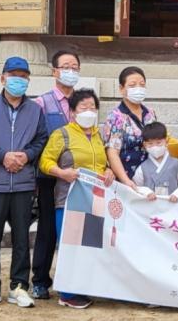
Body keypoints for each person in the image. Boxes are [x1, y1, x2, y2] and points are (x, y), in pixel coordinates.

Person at [0, 57, 48, 308]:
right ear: (3, 78)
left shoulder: (35, 110)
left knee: (22, 238)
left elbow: (41, 139)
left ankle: (19, 286)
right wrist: (2, 156)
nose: (19, 80)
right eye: (14, 75)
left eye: (24, 76)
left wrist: (27, 155)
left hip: (24, 184)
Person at [39, 88, 115, 309]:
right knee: (71, 246)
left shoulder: (98, 135)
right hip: (69, 199)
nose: (89, 111)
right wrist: (62, 173)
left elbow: (102, 162)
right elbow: (45, 161)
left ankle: (83, 287)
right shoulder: (61, 134)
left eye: (92, 107)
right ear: (72, 111)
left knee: (89, 246)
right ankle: (67, 293)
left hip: (95, 200)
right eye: (83, 107)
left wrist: (108, 169)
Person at [31, 50, 81, 300]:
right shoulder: (42, 103)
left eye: (75, 67)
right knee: (48, 229)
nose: (70, 71)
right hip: (50, 177)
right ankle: (40, 280)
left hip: (79, 179)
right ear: (54, 71)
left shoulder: (84, 103)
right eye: (65, 66)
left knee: (77, 231)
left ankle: (75, 280)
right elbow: (35, 139)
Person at [103, 66, 178, 188]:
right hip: (127, 180)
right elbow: (113, 153)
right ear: (121, 89)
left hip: (152, 178)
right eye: (132, 85)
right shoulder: (116, 117)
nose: (138, 88)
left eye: (142, 84)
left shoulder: (150, 114)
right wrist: (126, 181)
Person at [132, 122, 178, 205]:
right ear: (144, 145)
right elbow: (136, 187)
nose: (155, 147)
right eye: (150, 143)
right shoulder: (142, 168)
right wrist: (147, 192)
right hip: (151, 209)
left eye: (158, 143)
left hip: (173, 208)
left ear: (166, 141)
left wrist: (177, 194)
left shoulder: (176, 164)